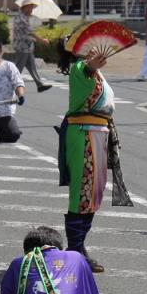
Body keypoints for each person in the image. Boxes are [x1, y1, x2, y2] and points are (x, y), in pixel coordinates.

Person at [57, 39, 133, 273]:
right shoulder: (79, 69)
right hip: (84, 134)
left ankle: (78, 247)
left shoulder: (96, 73)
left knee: (92, 194)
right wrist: (91, 65)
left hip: (98, 134)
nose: (92, 49)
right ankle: (75, 250)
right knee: (82, 192)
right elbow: (87, 69)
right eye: (86, 46)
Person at [11, 0, 53, 92]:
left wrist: (34, 39)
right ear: (24, 8)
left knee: (32, 67)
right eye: (29, 7)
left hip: (27, 47)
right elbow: (30, 33)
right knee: (18, 68)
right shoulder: (22, 19)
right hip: (22, 47)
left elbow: (25, 34)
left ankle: (40, 84)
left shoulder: (22, 17)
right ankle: (11, 86)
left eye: (32, 8)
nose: (31, 10)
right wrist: (42, 40)